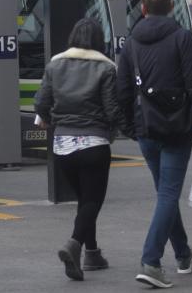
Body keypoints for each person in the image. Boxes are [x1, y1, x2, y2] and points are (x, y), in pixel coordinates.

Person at [117, 0, 192, 289]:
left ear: (143, 9)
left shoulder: (131, 43)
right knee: (168, 193)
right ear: (171, 8)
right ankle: (151, 262)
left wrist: (129, 127)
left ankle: (182, 254)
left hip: (146, 128)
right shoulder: (183, 38)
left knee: (166, 192)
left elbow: (122, 90)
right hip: (178, 128)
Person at [34, 18, 125, 281]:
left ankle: (93, 254)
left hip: (62, 147)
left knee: (85, 201)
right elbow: (112, 110)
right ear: (99, 40)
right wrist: (127, 129)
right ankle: (74, 244)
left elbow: (41, 103)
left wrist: (56, 120)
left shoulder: (55, 64)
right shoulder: (107, 68)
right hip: (94, 144)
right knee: (93, 201)